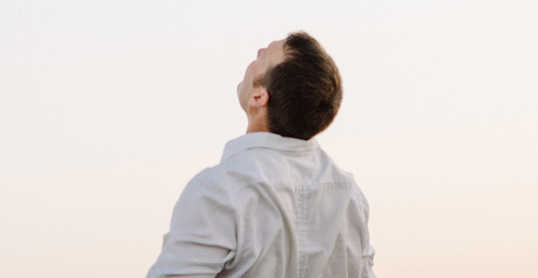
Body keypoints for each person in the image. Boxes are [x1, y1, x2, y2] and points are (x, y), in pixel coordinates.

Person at [146, 33, 376, 278]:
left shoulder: (220, 190)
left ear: (259, 96)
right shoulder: (350, 196)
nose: (257, 53)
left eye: (264, 55)